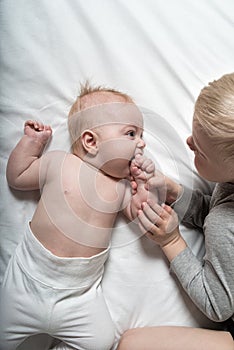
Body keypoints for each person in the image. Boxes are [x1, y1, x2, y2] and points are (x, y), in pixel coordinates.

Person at [0, 83, 157, 350]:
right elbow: (17, 176)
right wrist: (32, 143)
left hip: (80, 296)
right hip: (28, 284)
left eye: (141, 135)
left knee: (102, 342)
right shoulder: (58, 163)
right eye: (131, 133)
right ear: (90, 142)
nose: (141, 143)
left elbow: (137, 212)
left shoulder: (120, 188)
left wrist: (143, 185)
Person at [117, 73, 234, 350]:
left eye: (200, 151)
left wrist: (172, 242)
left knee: (132, 345)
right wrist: (176, 193)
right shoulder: (225, 198)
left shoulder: (223, 223)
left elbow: (218, 305)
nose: (188, 141)